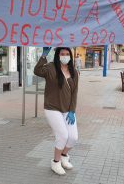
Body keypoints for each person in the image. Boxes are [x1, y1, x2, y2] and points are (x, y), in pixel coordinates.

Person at [34, 47, 79, 175]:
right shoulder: (50, 67)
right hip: (52, 108)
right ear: (57, 55)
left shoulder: (74, 72)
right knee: (63, 135)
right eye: (62, 54)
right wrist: (43, 56)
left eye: (67, 54)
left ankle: (64, 156)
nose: (64, 56)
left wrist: (72, 110)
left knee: (73, 137)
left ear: (70, 56)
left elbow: (74, 93)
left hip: (67, 110)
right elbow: (37, 71)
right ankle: (55, 162)